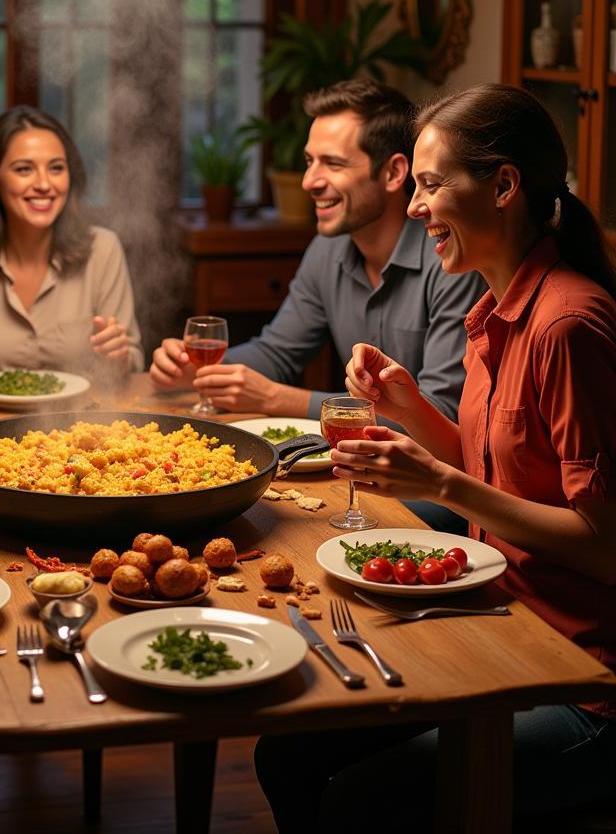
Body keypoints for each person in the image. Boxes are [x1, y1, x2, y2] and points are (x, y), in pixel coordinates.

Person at [254, 84, 616, 832]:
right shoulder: (494, 305)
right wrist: (409, 409)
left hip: (586, 684)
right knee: (283, 755)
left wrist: (442, 481)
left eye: (429, 184)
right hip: (510, 628)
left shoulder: (567, 324)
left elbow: (605, 548)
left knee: (361, 801)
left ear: (504, 186)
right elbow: (496, 471)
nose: (416, 208)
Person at [150, 79, 484, 532]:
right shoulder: (328, 249)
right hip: (356, 474)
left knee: (275, 516)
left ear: (393, 173)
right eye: (310, 162)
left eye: (332, 163)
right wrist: (198, 367)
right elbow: (278, 352)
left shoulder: (452, 259)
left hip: (436, 494)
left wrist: (282, 399)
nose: (309, 181)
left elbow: (438, 420)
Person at [0, 105, 144, 378]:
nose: (44, 184)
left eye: (56, 168)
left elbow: (134, 362)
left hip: (83, 417)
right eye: (24, 169)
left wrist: (120, 356)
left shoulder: (103, 250)